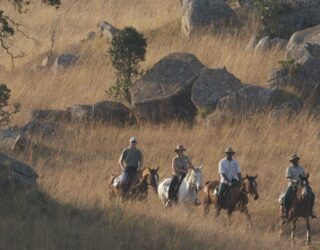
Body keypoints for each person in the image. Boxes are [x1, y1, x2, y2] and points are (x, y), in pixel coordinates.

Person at [282, 154, 315, 218]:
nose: (296, 161)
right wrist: (294, 181)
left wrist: (305, 180)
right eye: (295, 160)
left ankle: (311, 212)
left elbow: (304, 176)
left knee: (312, 195)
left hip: (302, 185)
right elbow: (288, 178)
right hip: (292, 185)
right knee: (286, 197)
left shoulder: (301, 168)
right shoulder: (289, 168)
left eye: (297, 159)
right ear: (292, 161)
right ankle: (286, 212)